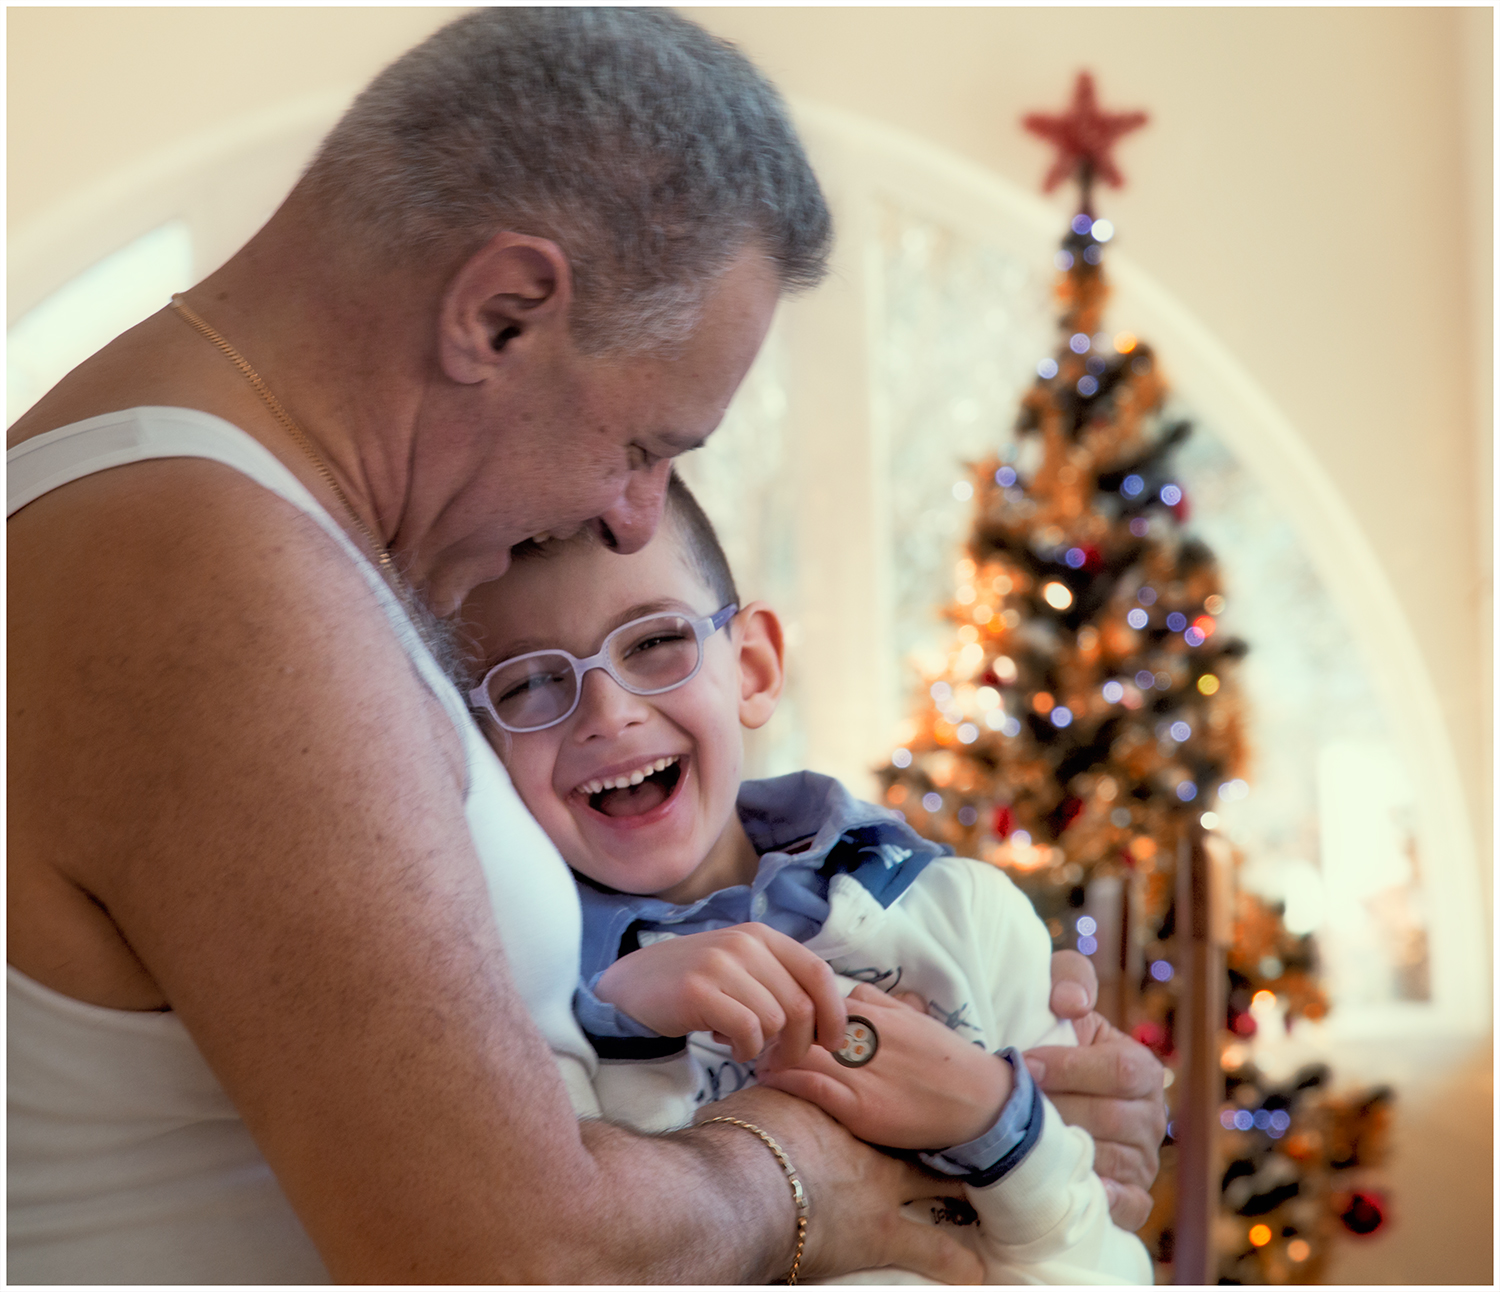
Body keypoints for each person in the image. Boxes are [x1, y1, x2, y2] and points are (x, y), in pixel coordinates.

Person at [8, 8, 1163, 1284]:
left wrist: (1013, 1109)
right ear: (501, 313)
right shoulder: (219, 580)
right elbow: (513, 1253)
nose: (632, 513)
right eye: (646, 445)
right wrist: (828, 1160)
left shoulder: (191, 510)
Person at [461, 472, 1154, 1283]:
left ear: (752, 667)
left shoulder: (966, 914)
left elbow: (1102, 1266)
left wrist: (995, 1122)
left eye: (654, 642)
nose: (608, 712)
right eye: (531, 684)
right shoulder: (521, 1013)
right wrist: (629, 1032)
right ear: (480, 750)